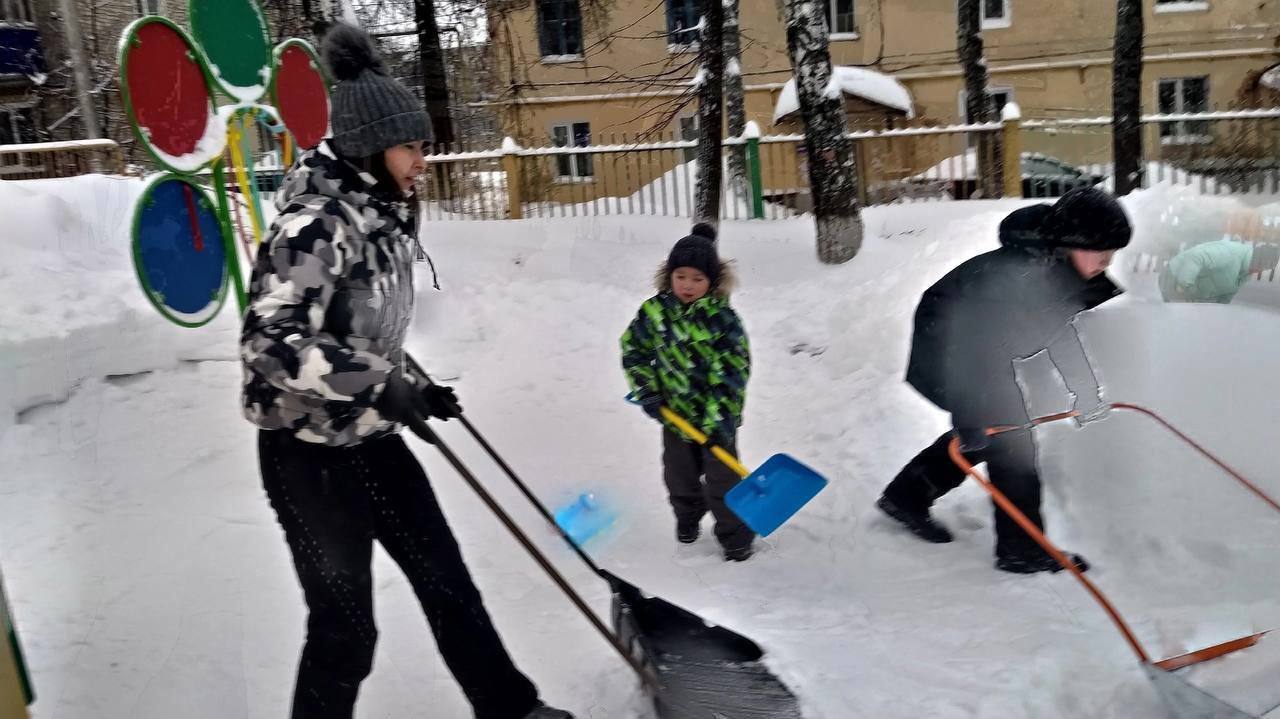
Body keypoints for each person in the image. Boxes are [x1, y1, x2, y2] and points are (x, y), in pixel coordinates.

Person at [240, 23, 572, 719]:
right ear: (370, 146)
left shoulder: (380, 219)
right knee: (346, 632)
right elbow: (269, 342)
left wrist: (410, 385)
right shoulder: (317, 225)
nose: (424, 158)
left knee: (448, 584)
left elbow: (356, 329)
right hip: (308, 459)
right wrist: (375, 380)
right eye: (412, 145)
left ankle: (509, 706)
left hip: (370, 440)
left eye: (423, 144)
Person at [877, 188, 1131, 574]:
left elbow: (1060, 332)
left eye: (1111, 254)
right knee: (1012, 445)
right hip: (948, 348)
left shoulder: (1053, 272)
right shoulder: (1015, 282)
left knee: (993, 433)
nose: (1105, 262)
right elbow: (971, 352)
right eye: (1099, 252)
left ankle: (907, 496)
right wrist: (967, 412)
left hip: (980, 353)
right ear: (1068, 244)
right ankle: (1022, 550)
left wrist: (1084, 390)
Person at [620, 223, 756, 561]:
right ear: (670, 275)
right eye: (681, 276)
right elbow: (634, 351)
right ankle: (687, 516)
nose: (688, 285)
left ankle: (735, 534)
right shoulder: (654, 312)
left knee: (724, 480)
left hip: (716, 418)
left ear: (712, 281)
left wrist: (717, 421)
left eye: (697, 279)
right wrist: (648, 391)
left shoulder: (723, 319)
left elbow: (733, 371)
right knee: (678, 476)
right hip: (674, 413)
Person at [1158, 239, 1280, 304]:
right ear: (1258, 258)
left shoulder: (1245, 274)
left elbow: (1227, 294)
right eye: (1262, 266)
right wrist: (1182, 286)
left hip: (1191, 295)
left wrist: (1220, 309)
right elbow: (1196, 256)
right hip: (1174, 279)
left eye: (1265, 268)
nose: (1260, 271)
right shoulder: (1229, 254)